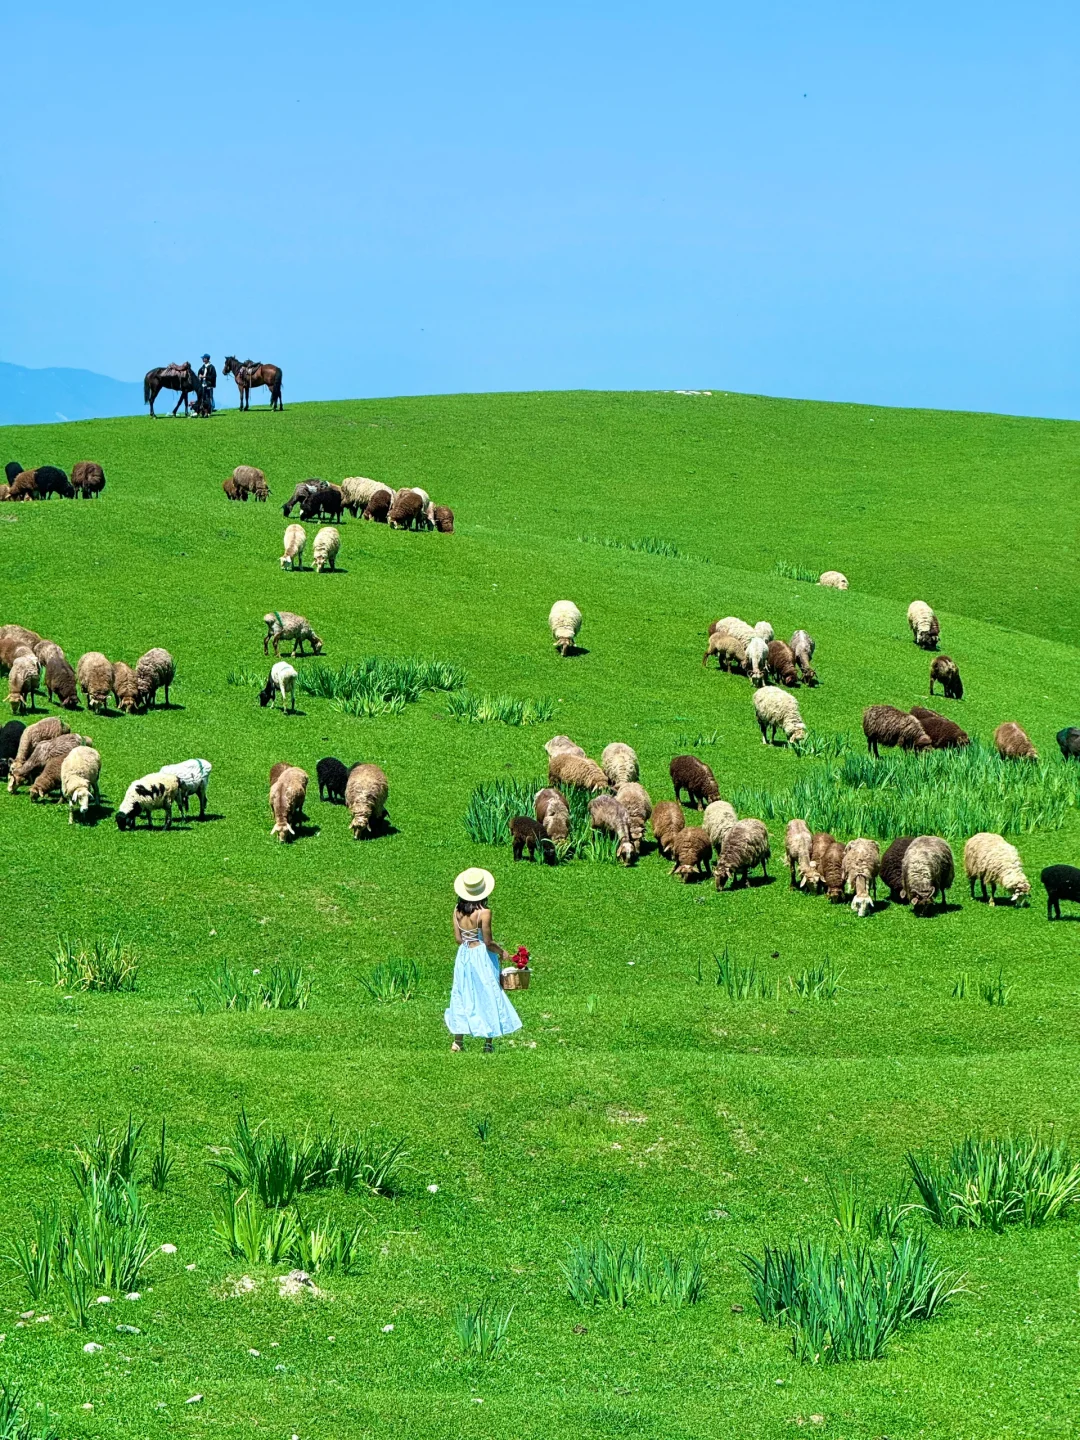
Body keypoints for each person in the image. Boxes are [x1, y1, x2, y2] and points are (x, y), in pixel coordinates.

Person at [444, 868, 522, 1052]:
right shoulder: (484, 912)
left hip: (464, 955)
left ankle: (458, 1042)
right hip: (481, 956)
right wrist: (502, 952)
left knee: (462, 993)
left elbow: (458, 939)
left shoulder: (457, 910)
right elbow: (488, 942)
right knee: (489, 992)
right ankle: (488, 1044)